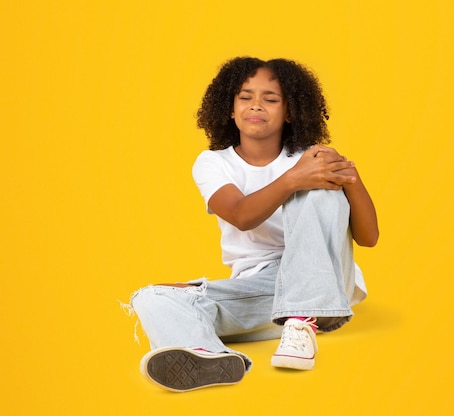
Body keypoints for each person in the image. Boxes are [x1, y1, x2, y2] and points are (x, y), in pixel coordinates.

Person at [124, 57, 379, 392]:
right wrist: (293, 179)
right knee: (150, 296)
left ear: (289, 111)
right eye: (245, 97)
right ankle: (207, 356)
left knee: (318, 192)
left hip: (326, 282)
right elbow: (242, 215)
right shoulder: (213, 163)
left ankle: (302, 324)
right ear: (230, 109)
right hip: (262, 290)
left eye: (270, 99)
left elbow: (368, 237)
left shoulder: (312, 159)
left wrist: (350, 177)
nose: (256, 105)